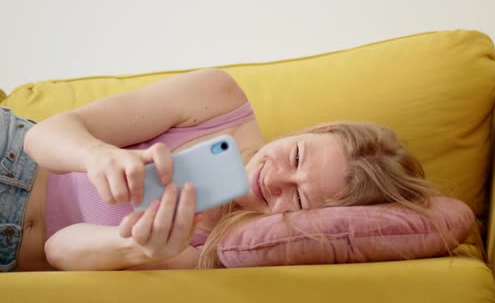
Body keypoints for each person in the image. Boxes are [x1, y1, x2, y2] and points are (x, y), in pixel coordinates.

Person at [0, 68, 440, 272]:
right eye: (298, 157)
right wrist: (96, 155)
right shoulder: (218, 99)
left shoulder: (226, 250)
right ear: (317, 128)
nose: (273, 181)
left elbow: (58, 251)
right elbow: (44, 137)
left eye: (300, 199)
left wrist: (138, 248)